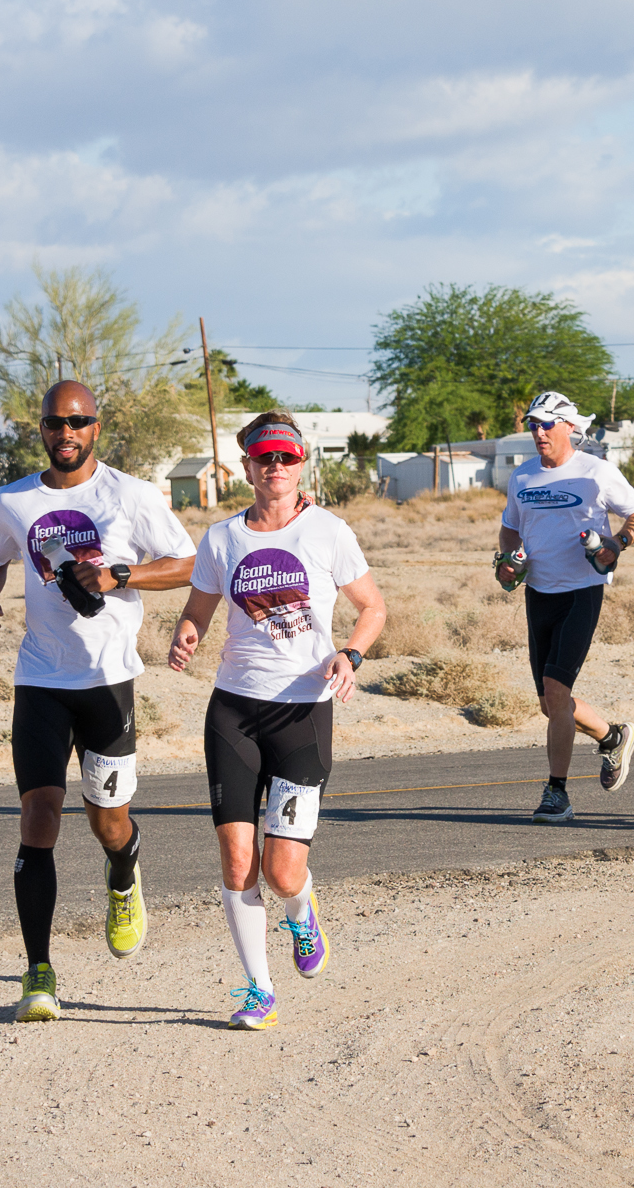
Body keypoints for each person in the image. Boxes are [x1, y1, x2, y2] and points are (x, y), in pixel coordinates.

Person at [0, 380, 200, 1023]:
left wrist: (119, 574)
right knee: (38, 817)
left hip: (107, 680)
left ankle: (123, 872)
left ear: (97, 427)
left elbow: (190, 562)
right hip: (40, 680)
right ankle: (37, 971)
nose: (65, 432)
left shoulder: (130, 495)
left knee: (108, 820)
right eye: (54, 423)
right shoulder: (15, 499)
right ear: (40, 429)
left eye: (78, 421)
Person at [167, 412, 386, 1031]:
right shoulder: (220, 539)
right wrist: (187, 635)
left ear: (302, 464)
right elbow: (198, 611)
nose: (276, 467)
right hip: (234, 711)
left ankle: (301, 910)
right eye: (265, 457)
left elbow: (372, 607)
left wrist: (351, 653)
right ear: (247, 466)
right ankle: (258, 990)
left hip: (303, 714)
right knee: (237, 862)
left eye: (287, 458)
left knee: (281, 869)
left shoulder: (329, 532)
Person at [495, 390, 634, 825]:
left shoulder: (597, 472)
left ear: (570, 427)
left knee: (556, 691)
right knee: (550, 702)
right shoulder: (522, 477)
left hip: (582, 590)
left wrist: (616, 545)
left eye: (546, 423)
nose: (538, 431)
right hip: (538, 593)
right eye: (533, 423)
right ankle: (612, 737)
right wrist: (508, 563)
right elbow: (510, 530)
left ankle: (557, 793)